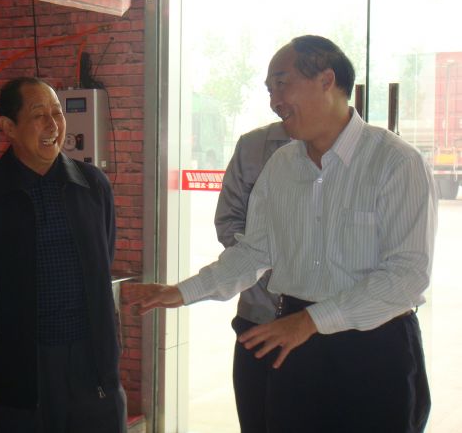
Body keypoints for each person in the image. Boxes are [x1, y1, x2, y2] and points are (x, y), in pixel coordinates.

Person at [128, 35, 436, 433]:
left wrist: (311, 320)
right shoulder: (282, 165)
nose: (274, 101)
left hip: (375, 343)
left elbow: (407, 276)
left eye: (281, 84)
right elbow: (254, 252)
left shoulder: (395, 162)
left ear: (326, 80)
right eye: (269, 90)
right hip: (293, 339)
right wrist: (183, 291)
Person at [0, 77, 126, 433]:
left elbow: (103, 257)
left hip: (91, 361)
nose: (53, 125)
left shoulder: (92, 184)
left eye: (57, 113)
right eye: (38, 115)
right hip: (22, 363)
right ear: (8, 127)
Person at [214, 121, 289, 433]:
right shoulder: (253, 145)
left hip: (325, 328)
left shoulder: (371, 154)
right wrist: (267, 264)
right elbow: (228, 221)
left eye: (284, 90)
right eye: (270, 94)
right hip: (257, 317)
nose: (277, 100)